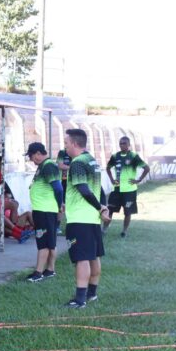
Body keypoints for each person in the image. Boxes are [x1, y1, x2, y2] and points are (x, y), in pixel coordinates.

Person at [63, 129, 108, 308]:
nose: (65, 147)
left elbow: (83, 189)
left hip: (80, 219)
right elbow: (101, 190)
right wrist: (103, 209)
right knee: (93, 256)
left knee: (82, 258)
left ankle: (80, 299)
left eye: (66, 144)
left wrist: (100, 207)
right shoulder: (92, 161)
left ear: (74, 143)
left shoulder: (78, 163)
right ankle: (92, 294)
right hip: (92, 219)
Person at [25, 143, 63, 282]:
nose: (31, 159)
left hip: (45, 210)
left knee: (43, 243)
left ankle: (38, 272)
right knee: (50, 242)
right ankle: (50, 270)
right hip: (45, 210)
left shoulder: (48, 166)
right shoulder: (45, 166)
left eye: (31, 156)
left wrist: (60, 206)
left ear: (38, 153)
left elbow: (58, 188)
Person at [106, 136, 150, 238]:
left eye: (124, 143)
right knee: (110, 210)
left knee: (127, 212)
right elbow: (108, 167)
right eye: (120, 143)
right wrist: (112, 179)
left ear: (129, 144)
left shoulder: (134, 156)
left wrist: (139, 179)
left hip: (129, 190)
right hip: (116, 189)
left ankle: (124, 231)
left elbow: (147, 168)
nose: (122, 145)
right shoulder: (115, 156)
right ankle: (104, 230)